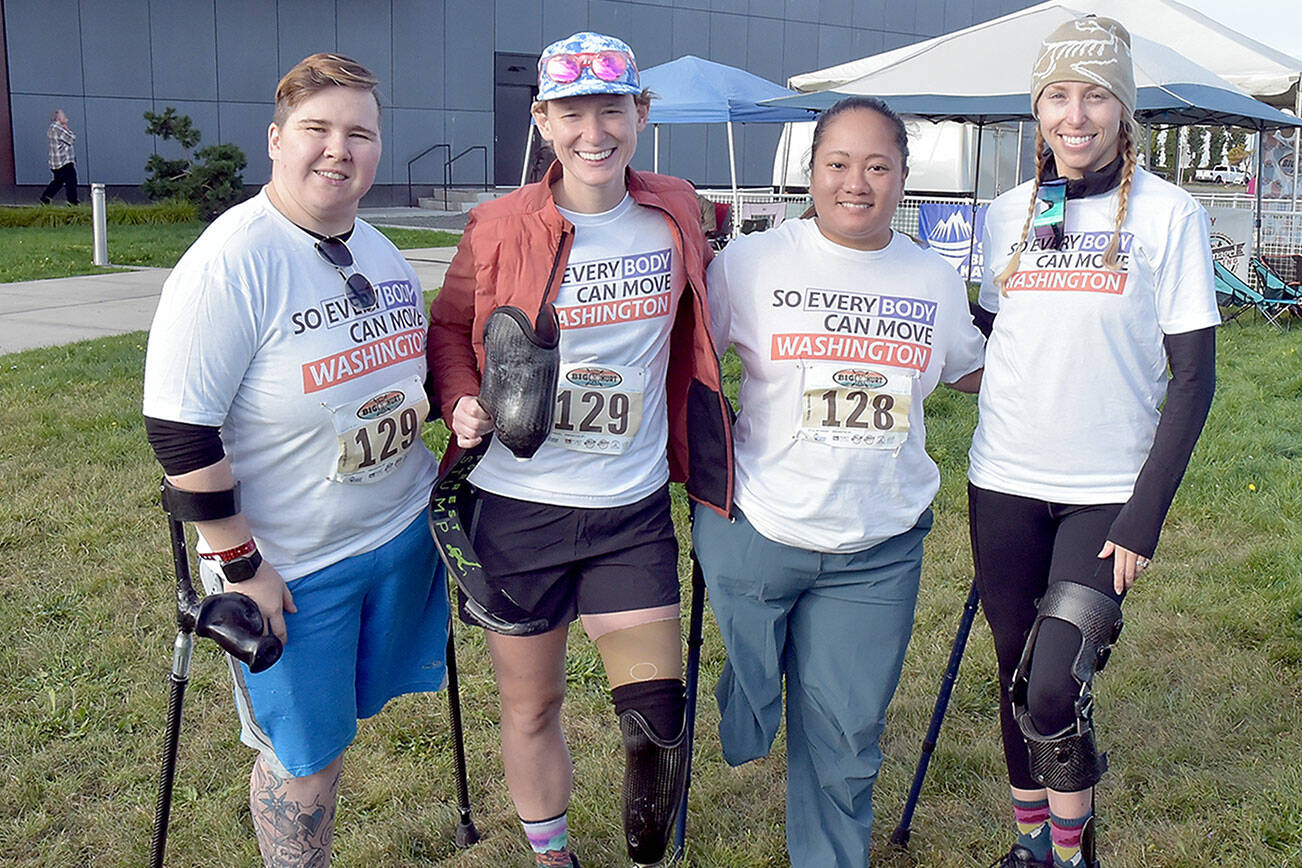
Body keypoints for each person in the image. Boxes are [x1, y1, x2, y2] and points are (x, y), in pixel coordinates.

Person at [426, 31, 732, 868]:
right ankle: (550, 854)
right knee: (532, 706)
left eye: (612, 111)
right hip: (517, 508)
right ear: (543, 120)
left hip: (627, 512)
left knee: (657, 720)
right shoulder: (498, 225)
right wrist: (458, 400)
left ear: (641, 112)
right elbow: (451, 329)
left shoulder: (676, 212)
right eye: (572, 114)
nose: (593, 132)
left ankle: (645, 856)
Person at [142, 53, 449, 866]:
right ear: (276, 140)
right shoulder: (230, 262)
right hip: (292, 571)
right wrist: (241, 567)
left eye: (360, 134)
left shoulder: (379, 251)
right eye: (317, 130)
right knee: (304, 762)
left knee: (346, 730)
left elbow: (408, 379)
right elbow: (180, 434)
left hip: (396, 535)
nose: (337, 150)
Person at [694, 95, 985, 867]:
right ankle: (753, 694)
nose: (857, 182)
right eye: (838, 164)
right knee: (756, 697)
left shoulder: (932, 277)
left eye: (878, 166)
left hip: (878, 541)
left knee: (848, 730)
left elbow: (972, 370)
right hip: (757, 526)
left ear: (903, 178)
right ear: (810, 171)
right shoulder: (751, 263)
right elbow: (682, 356)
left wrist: (1071, 358)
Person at [968, 17, 1218, 868]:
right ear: (1036, 108)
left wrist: (1143, 519)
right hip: (1002, 480)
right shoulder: (1007, 213)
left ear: (1124, 108)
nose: (1076, 115)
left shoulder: (1169, 213)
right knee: (1013, 673)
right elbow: (1001, 334)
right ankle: (1031, 847)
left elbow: (1194, 379)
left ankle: (1074, 855)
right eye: (1057, 96)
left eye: (1097, 94)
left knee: (1052, 682)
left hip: (1105, 490)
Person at [40, 109, 79, 205]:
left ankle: (45, 199)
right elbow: (71, 139)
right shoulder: (58, 128)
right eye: (63, 115)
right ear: (58, 118)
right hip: (63, 161)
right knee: (71, 181)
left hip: (57, 162)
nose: (66, 117)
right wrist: (67, 129)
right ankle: (72, 202)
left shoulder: (52, 128)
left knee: (58, 182)